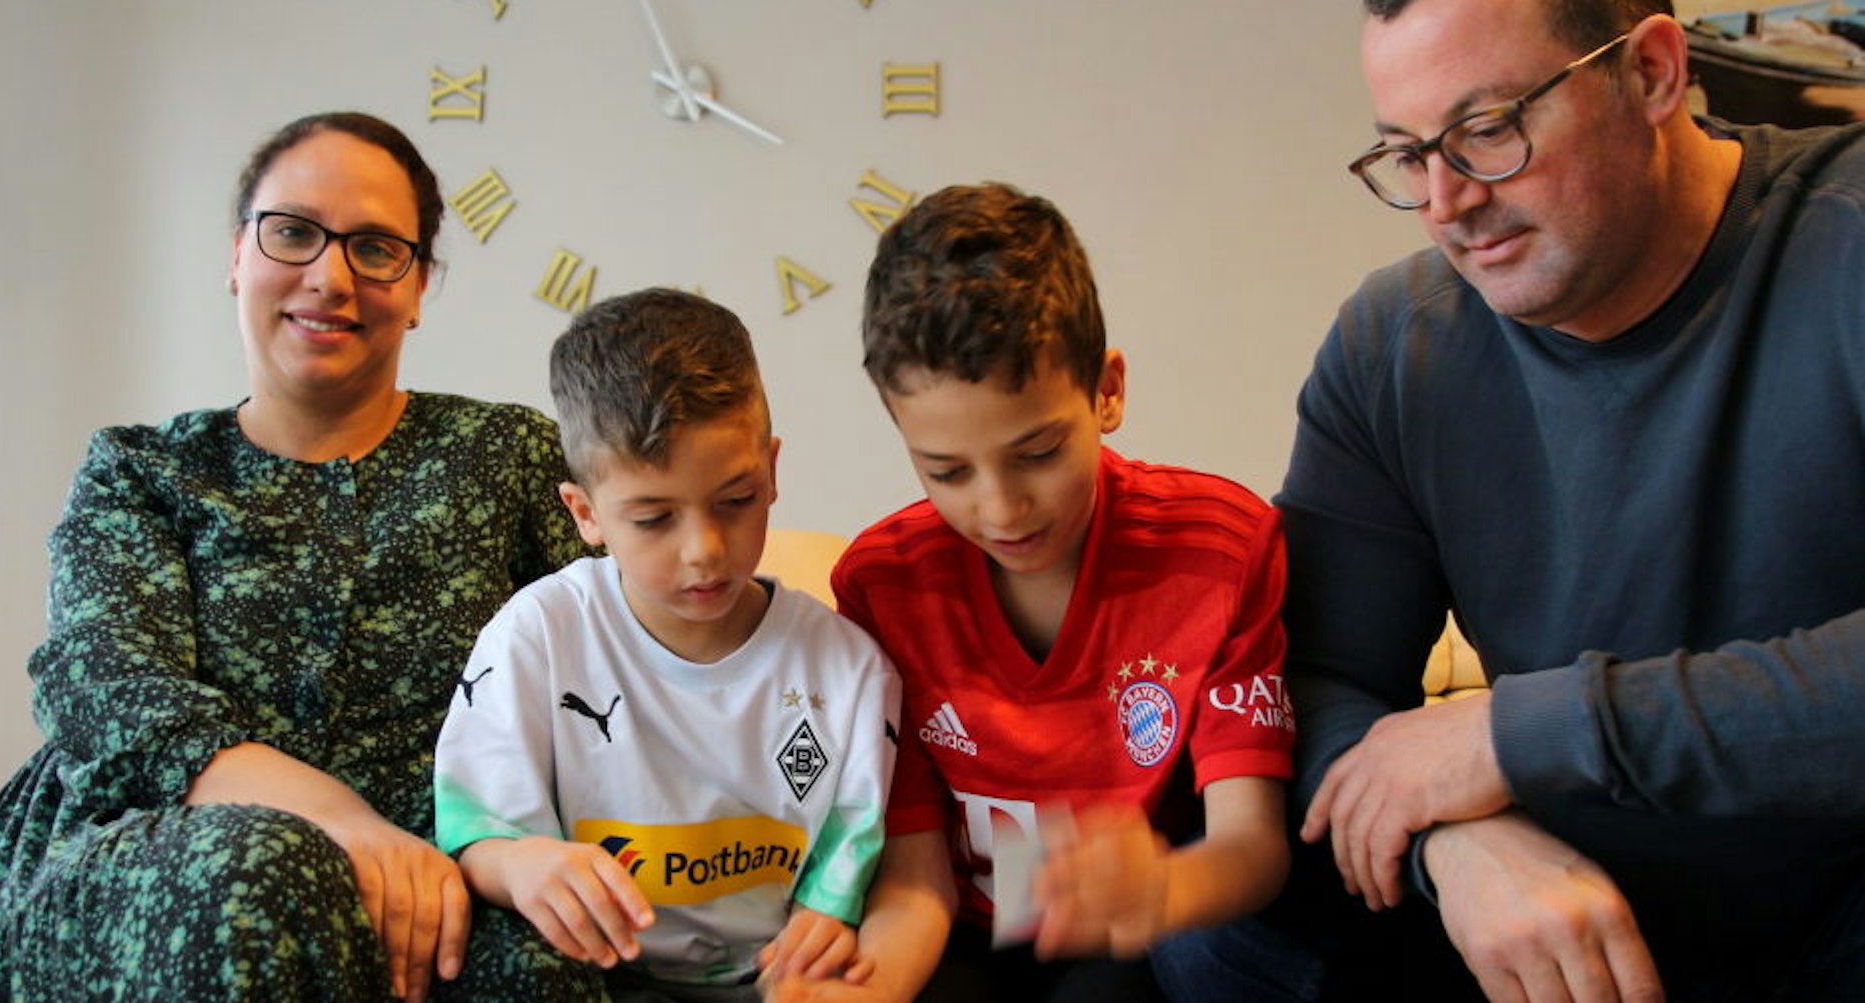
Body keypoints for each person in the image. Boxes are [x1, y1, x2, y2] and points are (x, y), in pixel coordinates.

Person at [0, 112, 606, 1003]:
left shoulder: (508, 455)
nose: (329, 276)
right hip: (161, 856)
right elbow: (111, 695)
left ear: (417, 287)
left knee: (545, 967)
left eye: (376, 248)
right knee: (256, 871)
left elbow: (633, 645)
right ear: (236, 257)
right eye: (292, 232)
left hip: (421, 884)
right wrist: (343, 820)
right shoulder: (140, 470)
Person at [1231, 0, 1865, 1000]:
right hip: (1563, 909)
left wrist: (1519, 735)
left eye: (1487, 129)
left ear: (1651, 73)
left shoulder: (1842, 239)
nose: (1445, 202)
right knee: (1224, 920)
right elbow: (1306, 681)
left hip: (1837, 896)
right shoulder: (1395, 342)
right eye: (1408, 154)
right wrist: (1452, 840)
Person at [802, 182, 1296, 1003]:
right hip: (958, 935)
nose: (1001, 509)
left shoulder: (1221, 547)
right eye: (946, 471)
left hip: (1143, 938)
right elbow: (916, 874)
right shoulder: (881, 585)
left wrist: (1161, 888)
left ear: (1107, 390)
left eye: (1037, 453)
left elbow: (1254, 847)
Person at [431, 287, 902, 1003]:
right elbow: (478, 833)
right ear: (585, 513)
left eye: (736, 500)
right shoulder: (537, 636)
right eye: (653, 519)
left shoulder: (851, 669)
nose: (703, 550)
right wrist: (523, 864)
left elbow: (855, 844)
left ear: (772, 471)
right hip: (595, 981)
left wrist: (827, 918)